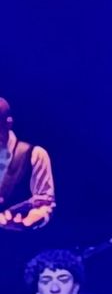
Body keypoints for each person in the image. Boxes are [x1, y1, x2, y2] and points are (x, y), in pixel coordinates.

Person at [0, 97, 55, 229]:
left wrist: (32, 219)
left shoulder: (34, 155)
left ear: (8, 123)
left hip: (18, 244)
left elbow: (45, 204)